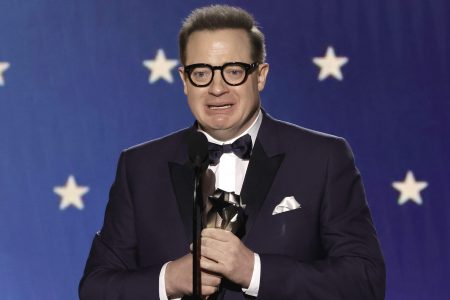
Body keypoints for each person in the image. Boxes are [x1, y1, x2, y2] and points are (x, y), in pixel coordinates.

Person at [79, 5, 385, 300]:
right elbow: (95, 287)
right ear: (185, 80)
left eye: (234, 71)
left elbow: (365, 281)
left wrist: (254, 271)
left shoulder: (323, 158)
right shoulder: (140, 167)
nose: (217, 88)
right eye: (202, 73)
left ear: (260, 75)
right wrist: (169, 280)